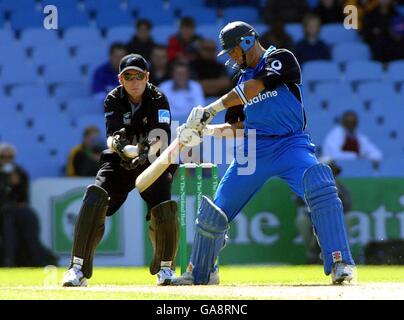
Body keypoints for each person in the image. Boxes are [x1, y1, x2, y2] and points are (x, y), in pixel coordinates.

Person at [173, 21, 355, 286]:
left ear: (248, 42)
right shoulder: (239, 78)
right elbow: (238, 127)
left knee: (321, 185)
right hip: (254, 149)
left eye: (234, 51)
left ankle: (340, 262)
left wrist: (210, 109)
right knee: (216, 210)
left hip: (291, 144)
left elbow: (256, 87)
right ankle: (201, 272)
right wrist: (206, 130)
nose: (233, 59)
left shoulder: (280, 58)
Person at [62, 54, 179, 287]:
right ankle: (77, 268)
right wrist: (125, 149)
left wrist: (142, 151)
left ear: (147, 77)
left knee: (164, 208)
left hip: (153, 160)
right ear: (120, 79)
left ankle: (166, 269)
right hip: (120, 160)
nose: (134, 81)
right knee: (95, 198)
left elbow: (161, 137)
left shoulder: (158, 98)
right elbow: (112, 137)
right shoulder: (113, 98)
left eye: (139, 76)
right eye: (128, 76)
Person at [0, 143, 57, 267]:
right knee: (8, 221)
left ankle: (36, 256)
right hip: (3, 212)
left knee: (29, 216)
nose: (6, 160)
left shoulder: (20, 173)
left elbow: (23, 199)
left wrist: (16, 185)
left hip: (15, 211)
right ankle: (8, 259)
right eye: (3, 157)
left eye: (9, 157)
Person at [294, 158, 352, 264]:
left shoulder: (341, 188)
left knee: (346, 219)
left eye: (331, 172)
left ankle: (341, 256)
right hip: (312, 219)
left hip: (336, 221)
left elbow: (347, 209)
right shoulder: (307, 187)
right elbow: (301, 205)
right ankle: (312, 254)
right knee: (302, 220)